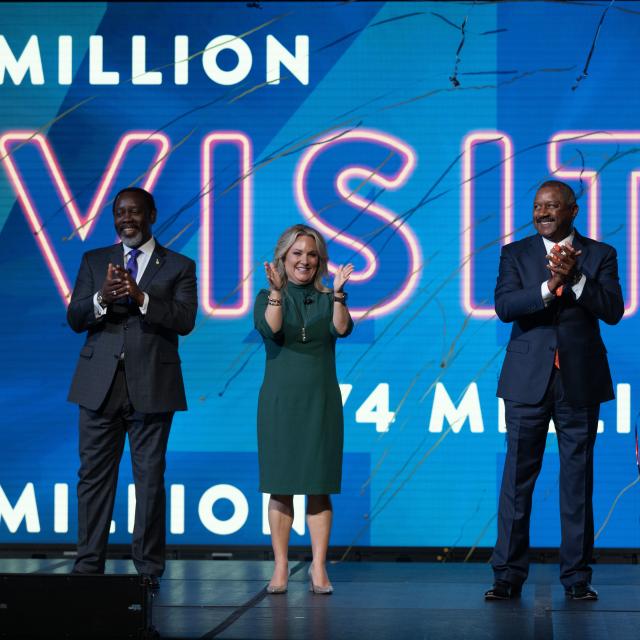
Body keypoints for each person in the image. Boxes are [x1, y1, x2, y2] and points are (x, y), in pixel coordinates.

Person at [485, 180, 624, 601]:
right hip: (527, 379)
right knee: (516, 479)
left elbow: (613, 310)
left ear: (572, 211)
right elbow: (505, 306)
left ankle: (577, 578)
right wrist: (549, 287)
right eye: (537, 206)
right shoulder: (516, 254)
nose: (542, 212)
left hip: (579, 380)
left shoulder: (600, 254)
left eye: (551, 206)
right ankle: (507, 576)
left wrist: (576, 277)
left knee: (577, 480)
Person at [67, 187, 197, 589]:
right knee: (93, 479)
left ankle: (148, 572)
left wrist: (141, 297)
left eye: (135, 212)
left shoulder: (178, 265)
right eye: (120, 212)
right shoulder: (94, 261)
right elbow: (75, 317)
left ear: (151, 215)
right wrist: (102, 298)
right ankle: (88, 567)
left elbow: (184, 320)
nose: (127, 218)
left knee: (149, 480)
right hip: (98, 387)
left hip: (152, 386)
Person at [254, 224, 354, 595]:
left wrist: (340, 295)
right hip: (280, 403)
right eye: (297, 254)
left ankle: (318, 567)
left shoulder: (331, 298)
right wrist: (279, 292)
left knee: (319, 486)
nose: (304, 260)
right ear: (283, 258)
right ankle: (280, 567)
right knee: (280, 488)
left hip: (321, 401)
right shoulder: (267, 295)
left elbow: (341, 330)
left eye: (311, 254)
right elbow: (273, 330)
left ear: (320, 260)